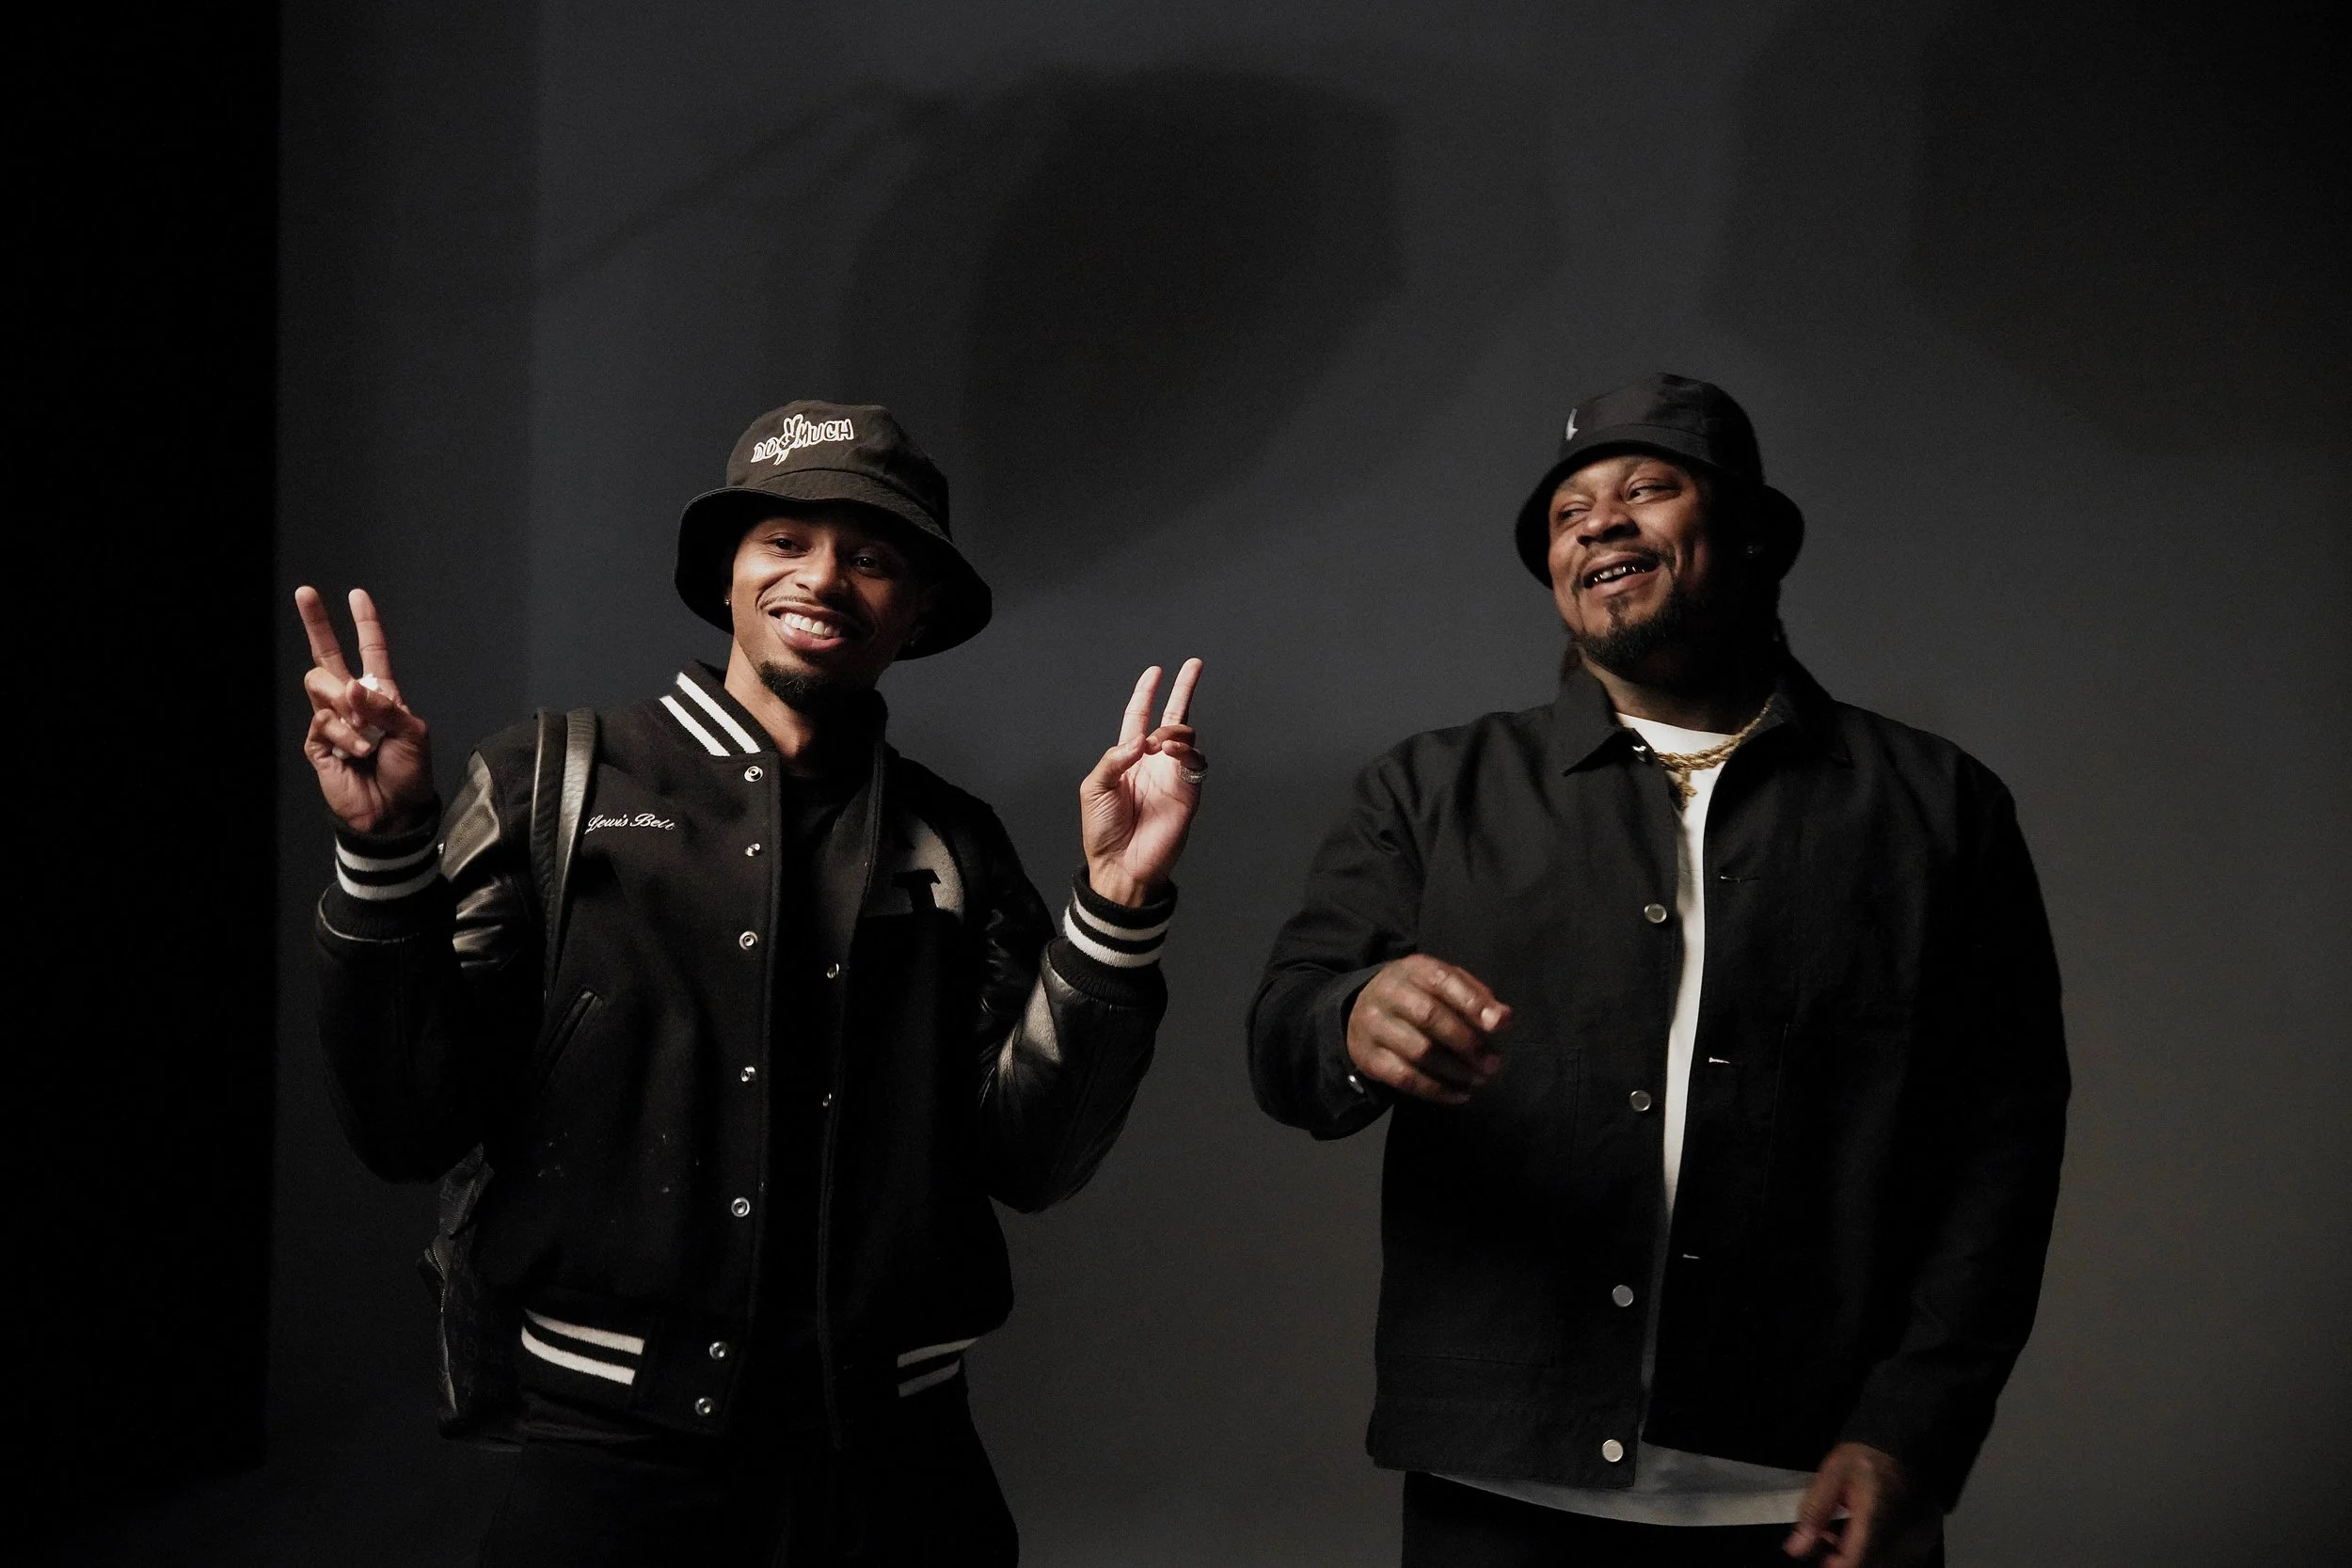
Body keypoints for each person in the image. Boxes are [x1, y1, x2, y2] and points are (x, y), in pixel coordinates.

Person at [299, 401, 1206, 1566]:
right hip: (609, 1464)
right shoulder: (548, 781)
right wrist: (382, 854)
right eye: (785, 540)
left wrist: (1118, 903)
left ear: (917, 611)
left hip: (900, 1466)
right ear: (724, 578)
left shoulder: (954, 839)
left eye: (870, 556)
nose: (822, 576)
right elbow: (405, 1122)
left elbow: (1033, 1155)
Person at [1248, 374, 2067, 1567]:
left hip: (1803, 1495)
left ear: (1748, 532)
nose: (1599, 523)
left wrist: (1915, 1425)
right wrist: (1350, 1016)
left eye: (1645, 488)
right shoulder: (1429, 789)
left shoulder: (1935, 808)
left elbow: (2001, 1147)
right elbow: (1285, 1038)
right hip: (1497, 1485)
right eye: (1567, 511)